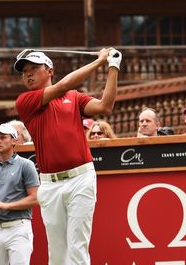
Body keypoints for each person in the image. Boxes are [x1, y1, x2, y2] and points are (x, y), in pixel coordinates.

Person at [14, 48, 121, 265]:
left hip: (81, 178)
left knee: (77, 246)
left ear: (49, 70)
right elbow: (62, 85)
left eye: (34, 68)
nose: (29, 74)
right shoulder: (26, 101)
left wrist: (113, 67)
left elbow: (105, 106)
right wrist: (100, 61)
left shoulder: (73, 98)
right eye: (25, 71)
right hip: (50, 184)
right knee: (58, 252)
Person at [0, 123, 40, 265]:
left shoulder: (26, 165)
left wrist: (6, 206)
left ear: (13, 141)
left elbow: (36, 198)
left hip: (18, 228)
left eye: (2, 137)